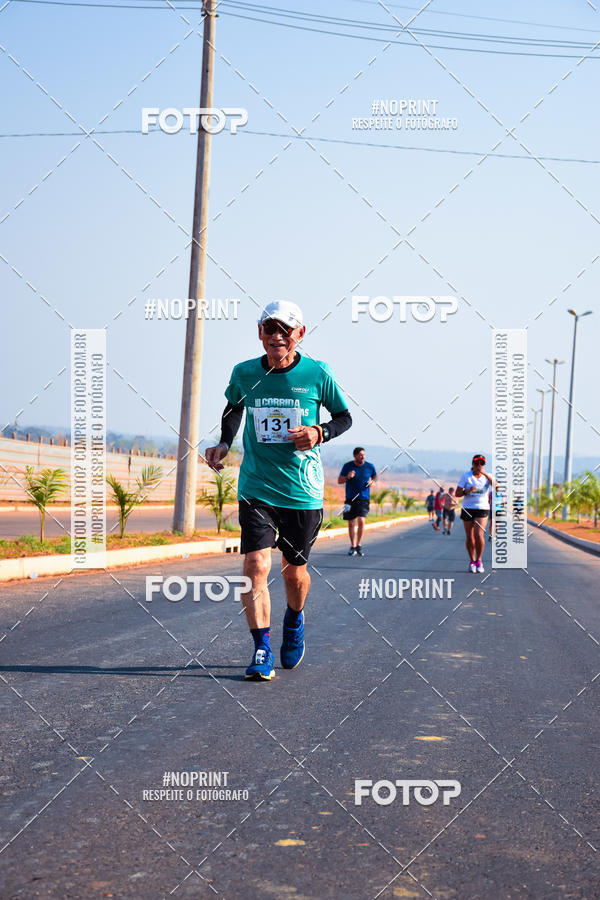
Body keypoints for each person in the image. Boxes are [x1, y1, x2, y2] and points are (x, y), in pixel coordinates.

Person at [205, 300, 352, 682]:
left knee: (294, 573)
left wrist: (319, 432)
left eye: (285, 330)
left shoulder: (318, 374)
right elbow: (232, 407)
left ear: (299, 334)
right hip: (257, 486)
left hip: (303, 491)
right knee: (254, 565)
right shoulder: (245, 372)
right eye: (270, 329)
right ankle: (261, 647)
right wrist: (224, 443)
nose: (277, 337)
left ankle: (295, 617)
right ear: (260, 334)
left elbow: (344, 417)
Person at [456, 454, 493, 573]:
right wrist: (467, 491)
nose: (479, 466)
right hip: (468, 508)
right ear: (472, 464)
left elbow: (497, 487)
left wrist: (486, 475)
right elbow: (457, 493)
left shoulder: (487, 477)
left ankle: (479, 560)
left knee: (478, 534)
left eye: (481, 464)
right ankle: (472, 561)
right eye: (476, 463)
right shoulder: (466, 476)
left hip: (482, 508)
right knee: (470, 536)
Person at [338, 448, 377, 556]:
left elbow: (374, 478)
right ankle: (353, 546)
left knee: (361, 520)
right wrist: (347, 477)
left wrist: (372, 482)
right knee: (351, 523)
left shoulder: (370, 466)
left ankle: (359, 545)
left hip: (363, 499)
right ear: (355, 456)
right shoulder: (348, 466)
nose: (363, 457)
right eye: (360, 455)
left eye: (364, 455)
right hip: (350, 499)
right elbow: (339, 480)